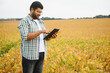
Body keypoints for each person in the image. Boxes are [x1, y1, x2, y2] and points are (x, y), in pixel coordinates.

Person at [17, 1, 57, 73]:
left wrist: (51, 36)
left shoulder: (41, 22)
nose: (40, 14)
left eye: (41, 12)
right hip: (30, 55)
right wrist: (41, 31)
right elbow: (25, 36)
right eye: (38, 12)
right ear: (32, 9)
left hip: (41, 53)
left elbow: (44, 37)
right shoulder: (24, 21)